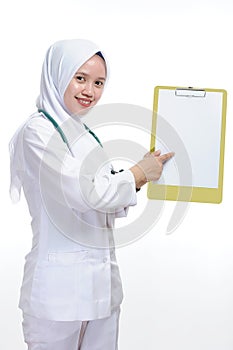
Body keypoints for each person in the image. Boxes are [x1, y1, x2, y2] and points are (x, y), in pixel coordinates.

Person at [9, 39, 174, 350]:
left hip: (100, 289)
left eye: (99, 82)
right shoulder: (37, 132)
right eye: (80, 78)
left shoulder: (84, 135)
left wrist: (140, 177)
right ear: (57, 75)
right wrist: (137, 172)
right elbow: (84, 194)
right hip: (57, 298)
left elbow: (102, 204)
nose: (90, 91)